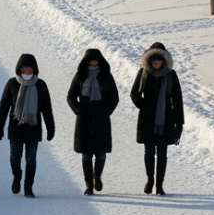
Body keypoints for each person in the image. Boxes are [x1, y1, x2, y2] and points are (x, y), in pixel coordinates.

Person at [0, 53, 56, 197]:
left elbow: (46, 108)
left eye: (29, 70)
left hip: (33, 129)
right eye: (24, 70)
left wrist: (50, 127)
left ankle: (28, 187)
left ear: (34, 70)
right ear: (19, 70)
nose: (27, 73)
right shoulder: (12, 84)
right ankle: (17, 177)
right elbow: (4, 106)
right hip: (16, 129)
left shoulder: (41, 85)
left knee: (31, 160)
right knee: (14, 158)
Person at [130, 42, 185, 196]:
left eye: (159, 60)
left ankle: (159, 185)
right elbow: (134, 93)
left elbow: (177, 100)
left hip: (165, 119)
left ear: (164, 60)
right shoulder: (143, 72)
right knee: (148, 152)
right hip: (147, 119)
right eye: (153, 60)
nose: (156, 63)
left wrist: (179, 123)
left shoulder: (171, 75)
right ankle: (150, 180)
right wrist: (144, 105)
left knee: (162, 153)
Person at [66, 49, 120, 195]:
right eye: (91, 61)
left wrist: (106, 111)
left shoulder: (106, 76)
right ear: (86, 62)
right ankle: (89, 185)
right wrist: (78, 110)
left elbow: (114, 97)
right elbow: (70, 96)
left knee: (101, 154)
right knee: (86, 154)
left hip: (101, 118)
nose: (94, 64)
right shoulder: (80, 76)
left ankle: (97, 176)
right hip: (84, 119)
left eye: (96, 61)